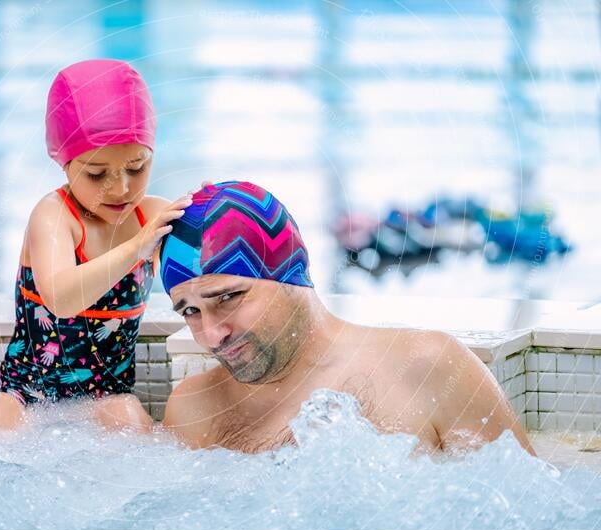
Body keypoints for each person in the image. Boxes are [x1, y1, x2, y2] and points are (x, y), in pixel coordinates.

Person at [160, 181, 535, 455]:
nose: (212, 334)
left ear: (289, 273)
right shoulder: (195, 410)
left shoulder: (428, 366)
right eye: (190, 310)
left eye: (228, 297)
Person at [0, 59, 191, 431]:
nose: (121, 189)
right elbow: (61, 297)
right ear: (64, 163)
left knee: (135, 427)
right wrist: (137, 248)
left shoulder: (152, 216)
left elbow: (207, 273)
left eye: (137, 167)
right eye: (97, 174)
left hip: (109, 399)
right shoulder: (54, 216)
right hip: (25, 399)